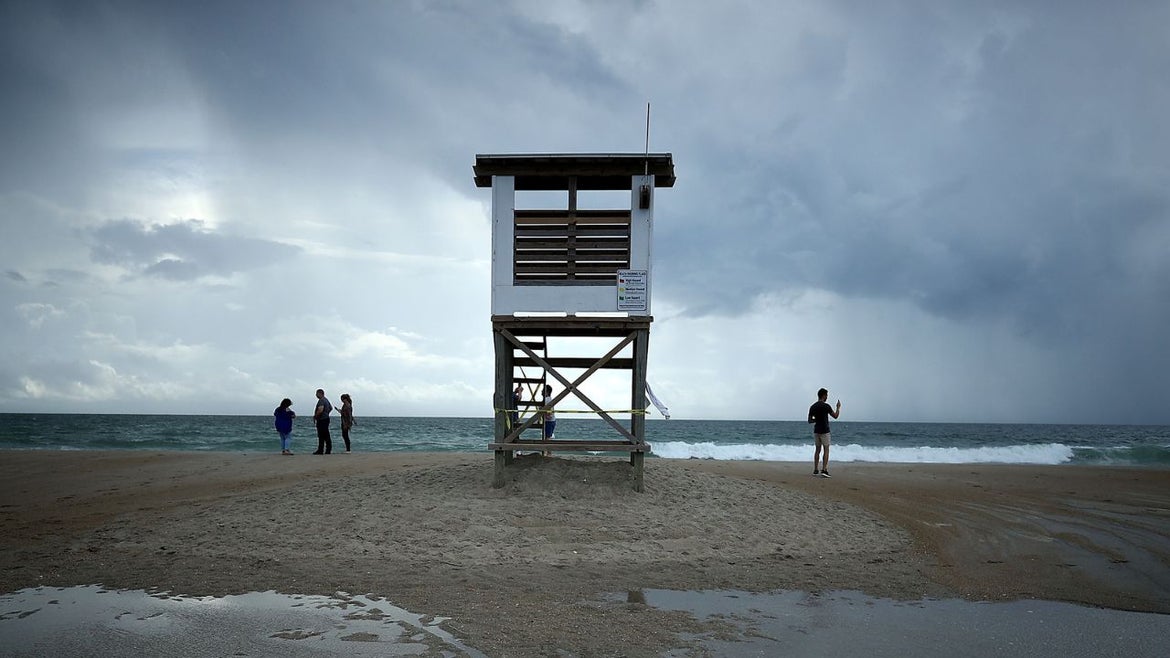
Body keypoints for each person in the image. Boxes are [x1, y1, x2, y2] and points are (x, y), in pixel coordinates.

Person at [807, 388, 841, 478]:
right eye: (826, 395)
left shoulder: (813, 406)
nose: (827, 397)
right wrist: (838, 408)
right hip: (825, 431)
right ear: (824, 395)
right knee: (826, 450)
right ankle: (824, 470)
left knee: (817, 450)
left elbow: (810, 420)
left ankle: (815, 469)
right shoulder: (826, 406)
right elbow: (835, 416)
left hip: (816, 430)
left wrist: (816, 419)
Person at [312, 388, 333, 455]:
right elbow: (331, 408)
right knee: (326, 434)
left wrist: (315, 416)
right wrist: (327, 413)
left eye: (316, 393)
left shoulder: (321, 400)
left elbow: (320, 410)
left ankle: (321, 450)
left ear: (320, 393)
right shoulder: (326, 400)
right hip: (326, 418)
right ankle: (328, 449)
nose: (316, 395)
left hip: (322, 419)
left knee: (321, 435)